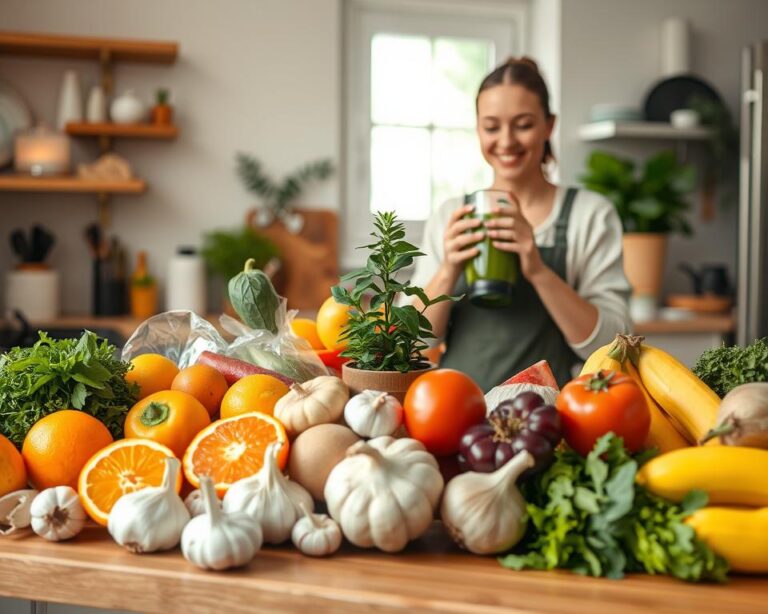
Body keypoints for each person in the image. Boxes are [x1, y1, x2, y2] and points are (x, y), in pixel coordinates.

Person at [411, 57, 631, 391]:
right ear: (478, 129)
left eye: (523, 125)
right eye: (491, 127)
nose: (506, 141)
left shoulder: (589, 215)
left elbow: (614, 345)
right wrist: (448, 270)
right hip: (454, 410)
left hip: (548, 412)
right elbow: (412, 345)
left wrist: (538, 271)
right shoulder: (450, 214)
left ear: (549, 126)